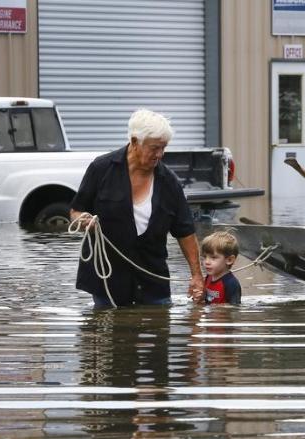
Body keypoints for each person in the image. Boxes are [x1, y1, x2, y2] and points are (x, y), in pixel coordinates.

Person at [70, 108, 204, 307]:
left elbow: (185, 232)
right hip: (108, 280)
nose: (159, 154)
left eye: (163, 148)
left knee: (158, 331)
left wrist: (197, 275)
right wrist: (83, 221)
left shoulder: (169, 182)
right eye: (154, 148)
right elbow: (76, 211)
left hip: (154, 281)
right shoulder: (101, 169)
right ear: (134, 141)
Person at [201, 231, 241, 305]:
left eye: (213, 258)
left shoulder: (231, 283)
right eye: (205, 257)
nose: (206, 262)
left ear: (229, 260)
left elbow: (234, 308)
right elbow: (205, 300)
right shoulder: (208, 277)